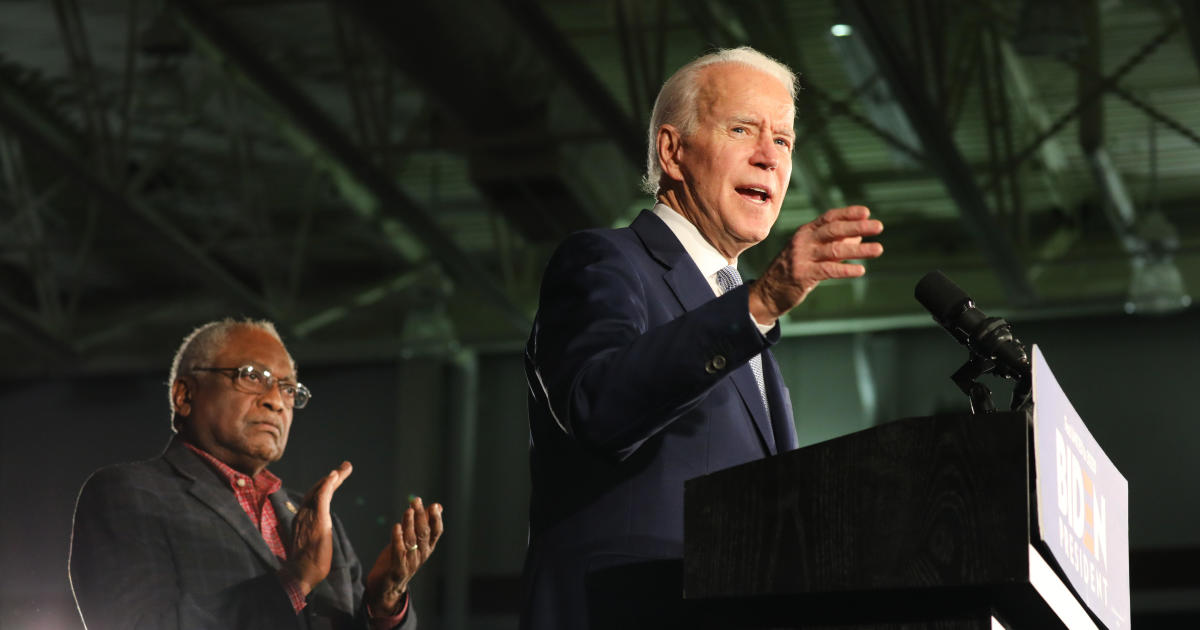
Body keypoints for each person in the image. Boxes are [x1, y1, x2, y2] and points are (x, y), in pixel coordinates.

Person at [520, 46, 884, 629]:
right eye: (743, 130)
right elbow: (597, 407)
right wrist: (758, 304)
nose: (770, 157)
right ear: (673, 151)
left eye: (784, 141)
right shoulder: (607, 261)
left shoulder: (745, 326)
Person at [69, 318, 443, 629]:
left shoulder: (317, 520)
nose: (276, 401)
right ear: (184, 395)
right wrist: (295, 582)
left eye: (287, 388)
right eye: (251, 376)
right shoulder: (129, 494)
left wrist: (385, 605)